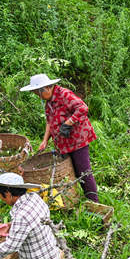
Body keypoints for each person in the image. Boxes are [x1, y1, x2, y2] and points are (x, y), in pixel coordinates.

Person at [20, 74, 99, 203]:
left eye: (38, 93)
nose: (37, 96)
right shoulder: (48, 102)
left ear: (46, 88)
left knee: (84, 171)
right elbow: (49, 122)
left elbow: (82, 108)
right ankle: (75, 198)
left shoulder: (64, 94)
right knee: (71, 171)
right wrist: (45, 140)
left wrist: (68, 123)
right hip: (64, 142)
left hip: (78, 140)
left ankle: (94, 202)